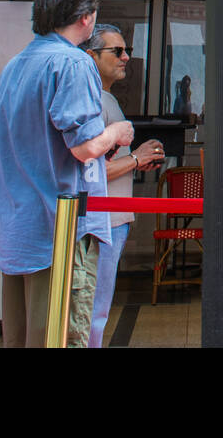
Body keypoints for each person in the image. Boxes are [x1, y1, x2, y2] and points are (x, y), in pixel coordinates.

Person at [0, 0, 135, 348]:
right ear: (86, 17)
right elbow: (85, 147)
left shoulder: (14, 66)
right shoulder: (73, 63)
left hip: (19, 226)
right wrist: (117, 133)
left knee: (22, 337)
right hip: (61, 228)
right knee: (63, 335)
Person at [83, 24, 163, 348]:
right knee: (93, 312)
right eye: (116, 51)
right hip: (100, 222)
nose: (126, 57)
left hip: (112, 221)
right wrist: (136, 159)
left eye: (125, 50)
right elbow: (90, 171)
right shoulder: (92, 101)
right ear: (91, 56)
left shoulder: (106, 100)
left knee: (97, 310)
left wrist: (139, 158)